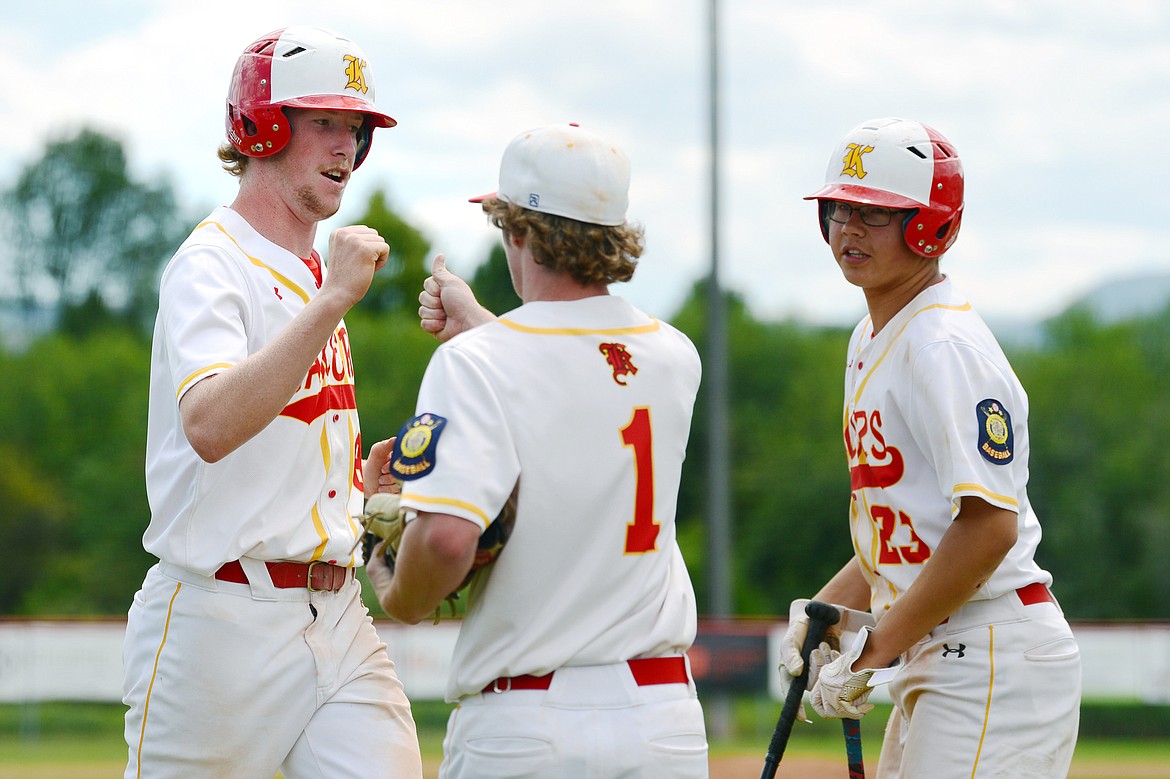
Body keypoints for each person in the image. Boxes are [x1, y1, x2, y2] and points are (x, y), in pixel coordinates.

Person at [122, 26, 423, 778]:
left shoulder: (316, 268)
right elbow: (212, 424)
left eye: (355, 129)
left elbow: (282, 441)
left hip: (335, 613)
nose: (346, 147)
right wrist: (330, 301)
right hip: (222, 620)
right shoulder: (212, 262)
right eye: (324, 121)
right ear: (263, 123)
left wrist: (361, 489)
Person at [366, 123, 709, 778]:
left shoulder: (478, 363)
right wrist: (483, 325)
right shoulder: (673, 355)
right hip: (664, 720)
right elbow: (576, 383)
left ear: (518, 229)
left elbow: (444, 541)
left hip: (529, 725)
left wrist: (392, 583)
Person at [780, 117, 1082, 777]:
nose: (849, 228)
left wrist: (873, 651)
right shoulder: (873, 335)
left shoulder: (942, 345)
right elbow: (913, 524)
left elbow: (988, 527)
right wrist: (828, 607)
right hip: (948, 648)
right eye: (838, 209)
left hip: (989, 645)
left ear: (933, 223)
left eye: (876, 214)